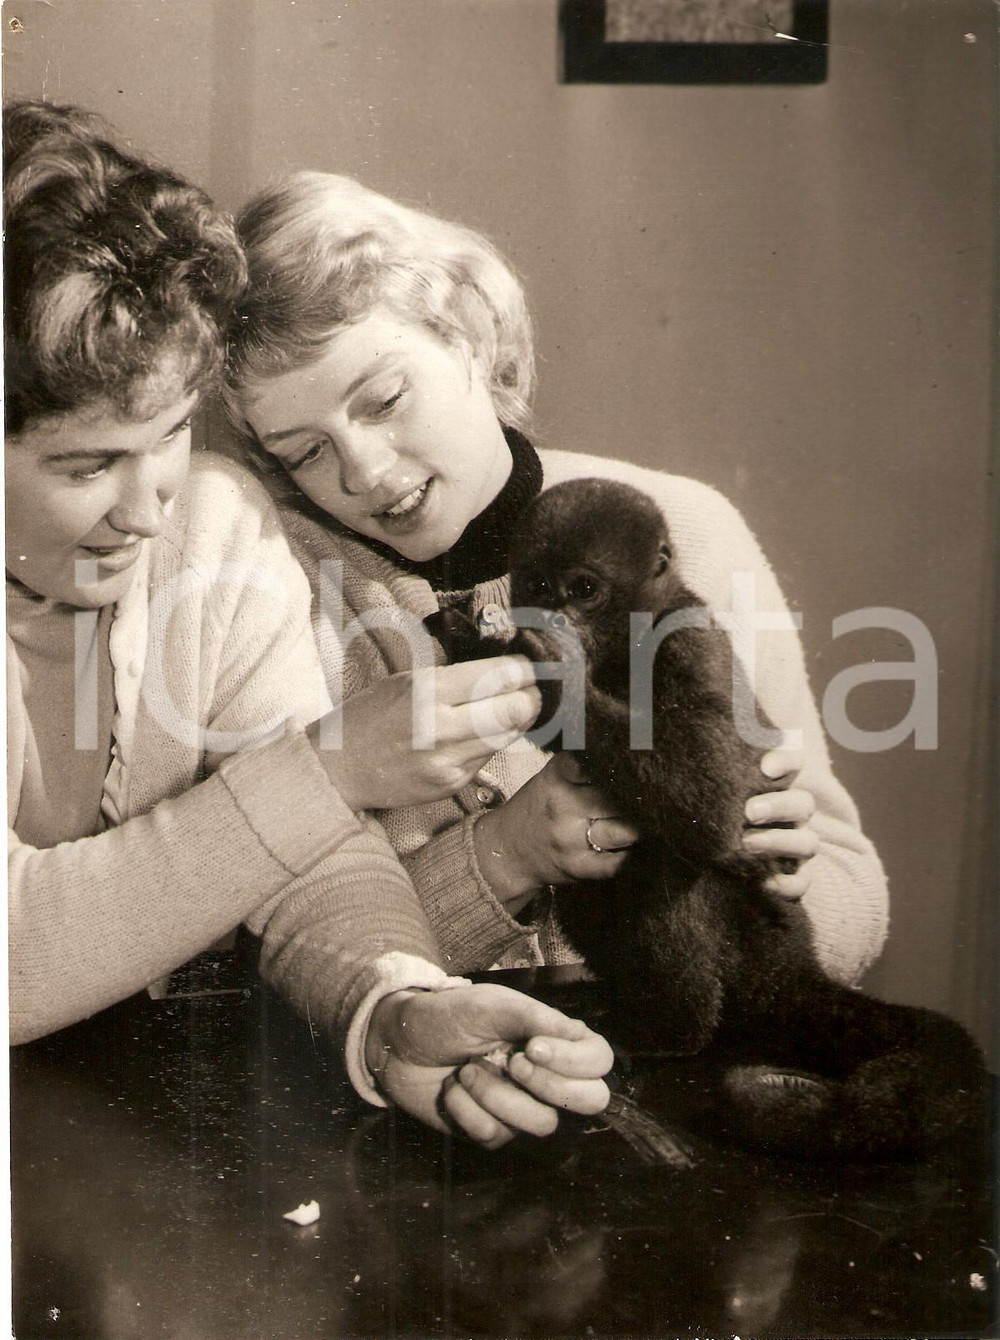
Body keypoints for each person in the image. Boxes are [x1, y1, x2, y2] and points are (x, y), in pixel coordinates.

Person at [5, 101, 615, 1149]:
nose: (146, 506)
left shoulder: (214, 521)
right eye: (84, 463)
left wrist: (392, 1009)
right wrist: (327, 768)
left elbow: (309, 863)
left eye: (163, 439)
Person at [222, 172, 889, 1002]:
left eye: (385, 399)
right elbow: (270, 968)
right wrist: (504, 855)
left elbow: (855, 890)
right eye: (304, 453)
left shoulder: (683, 528)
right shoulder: (273, 594)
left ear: (466, 334)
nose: (365, 471)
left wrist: (782, 878)